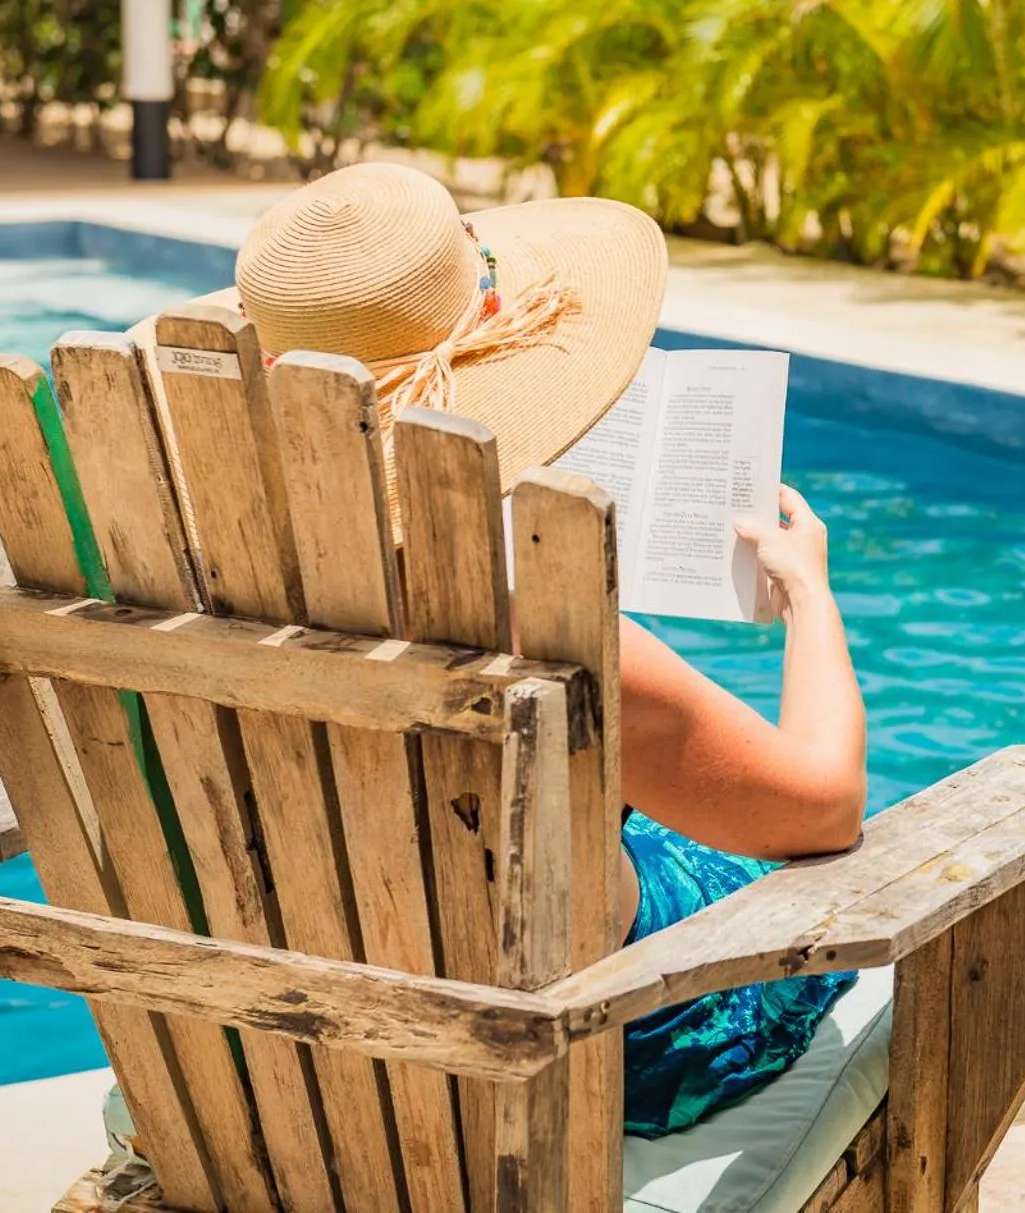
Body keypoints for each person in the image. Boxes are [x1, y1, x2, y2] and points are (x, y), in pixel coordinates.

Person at [132, 162, 869, 1139]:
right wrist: (809, 592)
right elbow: (819, 805)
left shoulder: (160, 573)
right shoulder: (533, 626)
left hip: (259, 1057)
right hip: (562, 1052)